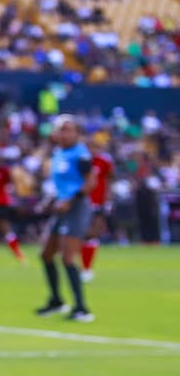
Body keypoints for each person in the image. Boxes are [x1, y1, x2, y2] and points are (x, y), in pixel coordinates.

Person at [35, 116, 95, 322]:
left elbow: (90, 183)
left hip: (76, 207)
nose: (64, 133)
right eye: (61, 130)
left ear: (76, 133)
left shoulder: (81, 154)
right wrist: (50, 199)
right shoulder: (59, 154)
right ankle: (56, 300)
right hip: (61, 207)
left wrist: (72, 199)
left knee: (68, 257)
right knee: (45, 254)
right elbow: (62, 184)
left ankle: (81, 308)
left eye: (68, 130)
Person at [81, 145, 114, 282]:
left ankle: (87, 269)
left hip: (99, 202)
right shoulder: (81, 162)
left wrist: (109, 199)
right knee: (83, 234)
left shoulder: (104, 161)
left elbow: (110, 179)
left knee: (93, 233)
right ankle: (84, 266)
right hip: (82, 202)